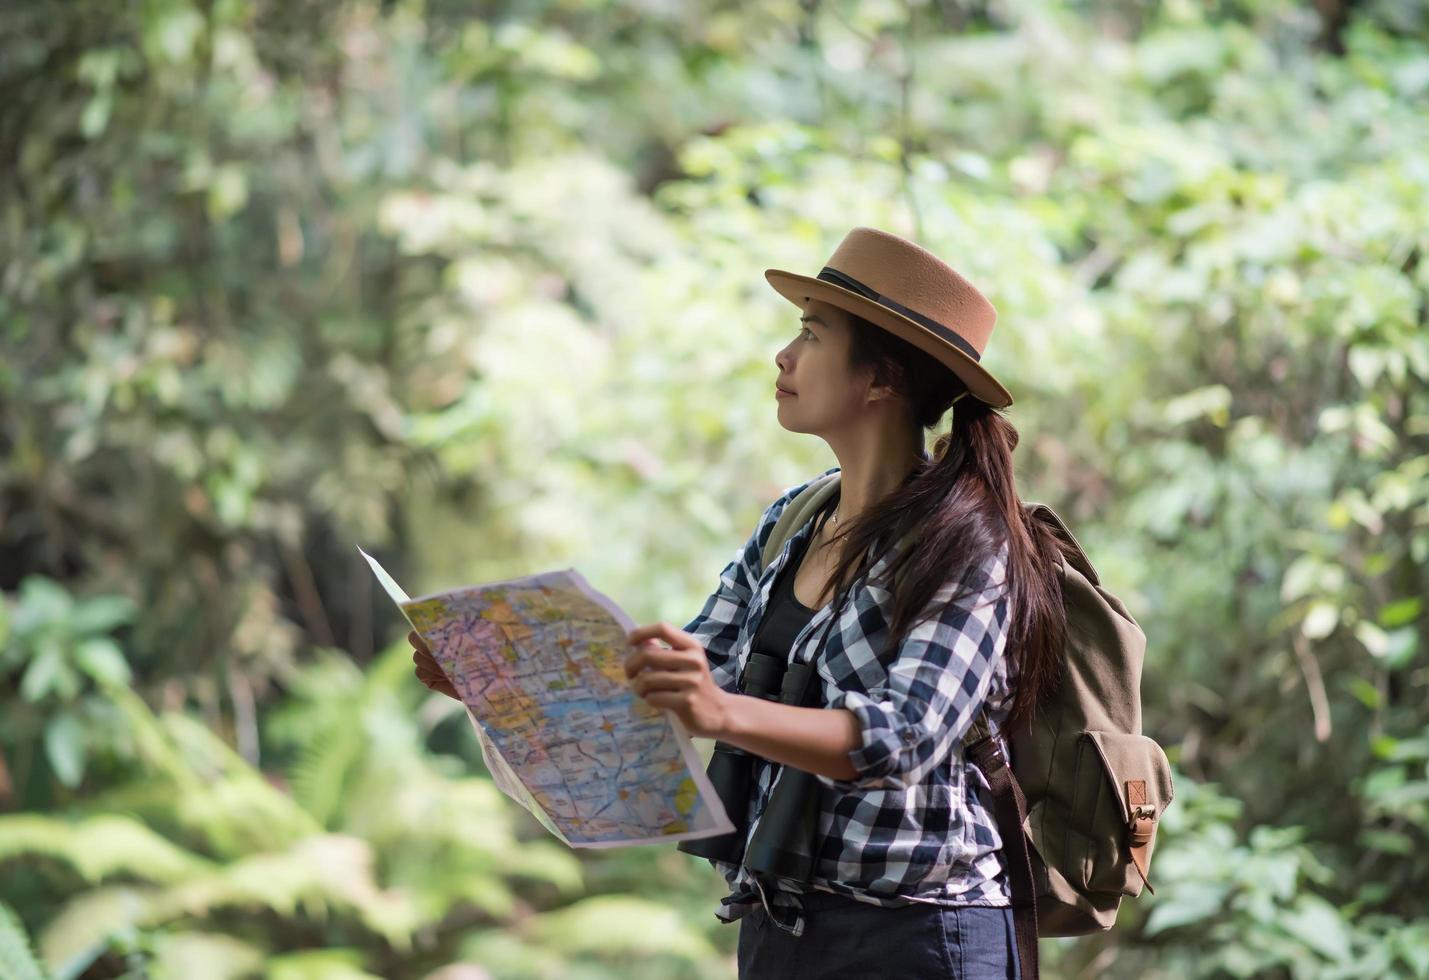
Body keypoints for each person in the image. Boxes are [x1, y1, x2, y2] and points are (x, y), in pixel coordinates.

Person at [412, 226, 1071, 979]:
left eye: (812, 335)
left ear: (881, 378)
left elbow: (906, 736)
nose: (784, 357)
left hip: (922, 937)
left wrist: (720, 714)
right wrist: (490, 676)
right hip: (780, 925)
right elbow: (681, 674)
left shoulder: (969, 542)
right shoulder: (795, 520)